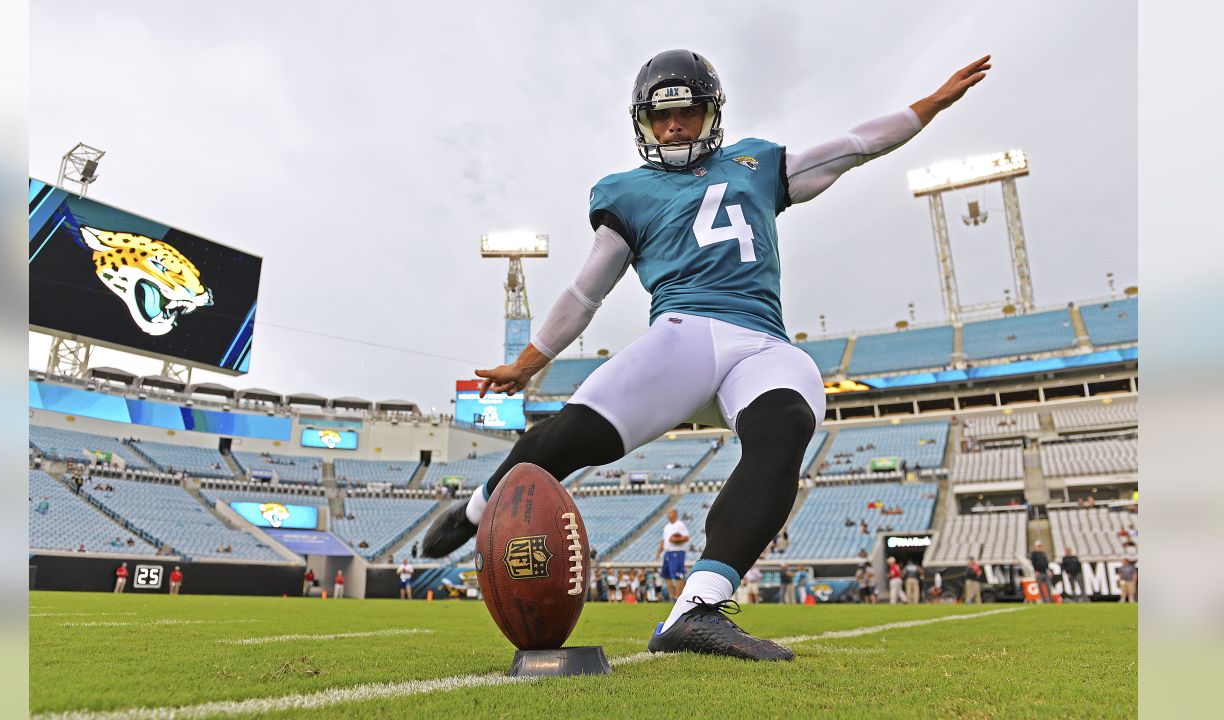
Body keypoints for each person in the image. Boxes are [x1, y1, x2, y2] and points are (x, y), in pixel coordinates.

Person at [419, 48, 991, 661]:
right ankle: (476, 511)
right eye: (661, 117)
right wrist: (531, 359)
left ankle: (696, 610)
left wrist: (928, 106)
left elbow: (852, 146)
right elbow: (588, 288)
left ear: (709, 113)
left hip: (762, 341)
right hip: (683, 332)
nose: (673, 127)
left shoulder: (755, 163)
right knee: (563, 442)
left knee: (788, 426)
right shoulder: (628, 192)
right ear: (643, 123)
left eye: (686, 112)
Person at [656, 509, 690, 600]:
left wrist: (676, 540)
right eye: (667, 513)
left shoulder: (679, 524)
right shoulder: (667, 526)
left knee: (678, 575)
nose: (668, 515)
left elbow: (686, 537)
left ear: (675, 514)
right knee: (666, 575)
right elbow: (664, 540)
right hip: (668, 552)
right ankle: (672, 595)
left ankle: (679, 596)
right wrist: (659, 551)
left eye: (670, 513)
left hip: (677, 552)